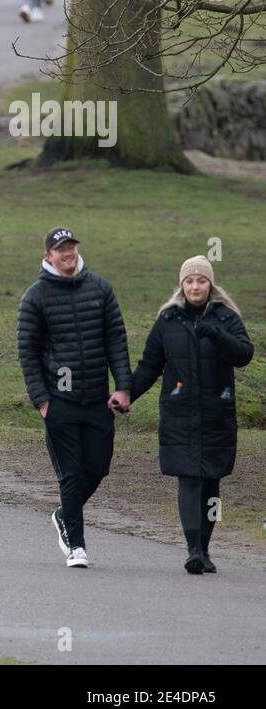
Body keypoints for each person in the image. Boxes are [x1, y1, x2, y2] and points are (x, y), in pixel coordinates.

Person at [129, 256, 254, 575]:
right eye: (189, 281)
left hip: (216, 412)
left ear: (210, 284)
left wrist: (217, 334)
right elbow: (149, 366)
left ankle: (206, 548)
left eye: (201, 281)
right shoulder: (168, 320)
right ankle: (193, 549)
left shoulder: (226, 317)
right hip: (179, 412)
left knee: (211, 481)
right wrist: (124, 395)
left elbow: (244, 355)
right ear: (181, 285)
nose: (195, 286)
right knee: (189, 478)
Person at [16, 227, 133, 569]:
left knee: (96, 467)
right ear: (47, 256)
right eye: (60, 248)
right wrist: (42, 400)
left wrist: (122, 386)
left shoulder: (100, 288)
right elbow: (28, 352)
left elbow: (116, 339)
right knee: (70, 473)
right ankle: (76, 547)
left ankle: (63, 514)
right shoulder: (35, 297)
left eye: (71, 246)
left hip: (97, 398)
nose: (67, 252)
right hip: (59, 400)